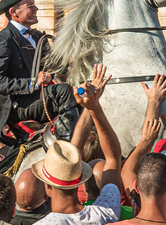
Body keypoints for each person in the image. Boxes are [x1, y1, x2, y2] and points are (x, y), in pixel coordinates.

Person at [0, 0, 78, 143]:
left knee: (79, 92)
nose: (36, 8)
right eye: (29, 5)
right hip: (17, 104)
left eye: (34, 4)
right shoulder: (3, 39)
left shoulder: (37, 36)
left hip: (37, 97)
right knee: (64, 92)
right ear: (14, 12)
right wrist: (33, 82)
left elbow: (56, 65)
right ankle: (69, 145)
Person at [35, 67, 123, 224]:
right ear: (80, 182)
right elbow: (113, 157)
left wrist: (91, 107)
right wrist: (93, 107)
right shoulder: (106, 213)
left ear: (47, 188)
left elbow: (73, 154)